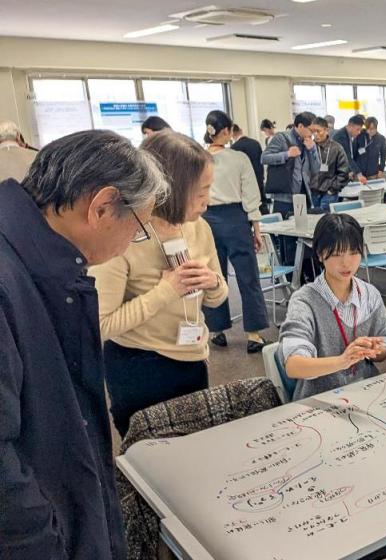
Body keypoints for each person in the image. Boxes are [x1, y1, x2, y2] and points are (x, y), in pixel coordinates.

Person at [0, 129, 168, 559]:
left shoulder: (40, 259)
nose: (134, 240)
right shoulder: (9, 280)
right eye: (138, 228)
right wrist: (47, 542)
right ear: (101, 207)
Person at [90, 132, 228, 438]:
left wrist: (212, 283)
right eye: (201, 191)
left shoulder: (197, 226)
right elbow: (100, 325)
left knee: (199, 453)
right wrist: (167, 290)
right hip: (140, 367)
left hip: (193, 357)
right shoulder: (123, 235)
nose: (208, 202)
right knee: (153, 465)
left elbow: (217, 298)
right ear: (173, 189)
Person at [279, 213, 386, 400]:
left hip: (366, 391)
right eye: (336, 254)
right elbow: (294, 365)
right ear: (319, 254)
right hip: (320, 399)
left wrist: (375, 350)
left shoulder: (369, 294)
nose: (346, 263)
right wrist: (342, 361)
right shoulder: (304, 301)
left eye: (354, 252)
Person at [202, 110, 268, 353]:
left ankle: (216, 330)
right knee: (247, 275)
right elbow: (251, 195)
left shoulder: (198, 158)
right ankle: (254, 334)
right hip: (235, 219)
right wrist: (257, 229)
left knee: (212, 276)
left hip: (205, 220)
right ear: (228, 131)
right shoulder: (239, 158)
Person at [261, 111, 321, 218]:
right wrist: (287, 154)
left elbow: (316, 169)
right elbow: (264, 158)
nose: (313, 134)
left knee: (304, 229)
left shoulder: (310, 142)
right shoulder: (281, 138)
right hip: (285, 194)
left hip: (304, 194)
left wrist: (313, 150)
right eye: (311, 130)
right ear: (301, 126)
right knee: (284, 229)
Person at [309, 116, 349, 211]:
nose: (315, 134)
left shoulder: (337, 148)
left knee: (326, 221)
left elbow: (344, 172)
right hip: (312, 193)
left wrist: (332, 190)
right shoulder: (310, 147)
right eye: (313, 131)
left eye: (318, 131)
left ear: (326, 130)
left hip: (329, 193)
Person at [231, 123, 269, 214]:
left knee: (251, 211)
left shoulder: (234, 148)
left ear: (231, 134)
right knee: (262, 208)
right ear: (241, 131)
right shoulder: (255, 143)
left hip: (246, 186)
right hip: (259, 180)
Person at [332, 114, 367, 184]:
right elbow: (347, 157)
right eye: (357, 129)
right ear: (350, 125)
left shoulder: (348, 135)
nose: (359, 132)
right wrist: (359, 174)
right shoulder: (341, 137)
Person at [354, 116, 386, 180]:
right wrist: (353, 170)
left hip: (373, 173)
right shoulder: (359, 136)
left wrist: (381, 169)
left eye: (372, 128)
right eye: (368, 129)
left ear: (376, 127)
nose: (370, 131)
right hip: (359, 173)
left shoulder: (381, 139)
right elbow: (353, 153)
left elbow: (384, 155)